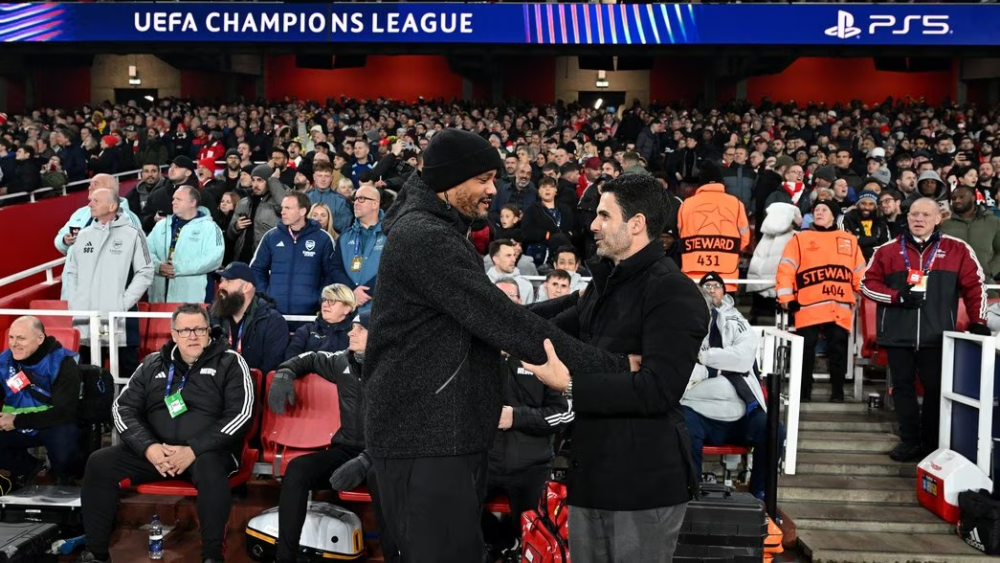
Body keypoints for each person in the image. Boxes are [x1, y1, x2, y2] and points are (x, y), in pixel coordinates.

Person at [364, 129, 629, 563]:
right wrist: (613, 370)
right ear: (450, 180)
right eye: (483, 179)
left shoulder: (439, 233)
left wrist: (577, 303)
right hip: (425, 438)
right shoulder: (425, 238)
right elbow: (503, 322)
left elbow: (492, 318)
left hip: (441, 435)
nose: (492, 190)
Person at [523, 173, 709, 563]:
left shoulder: (672, 290)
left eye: (605, 215)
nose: (593, 224)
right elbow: (543, 332)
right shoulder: (603, 285)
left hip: (642, 485)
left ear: (636, 224)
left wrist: (570, 384)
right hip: (592, 476)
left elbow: (657, 390)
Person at [77, 304, 254, 563]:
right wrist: (149, 448)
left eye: (199, 329)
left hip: (207, 452)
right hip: (156, 453)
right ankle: (96, 553)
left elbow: (241, 414)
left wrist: (193, 449)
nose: (192, 336)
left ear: (209, 331)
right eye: (185, 331)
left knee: (210, 469)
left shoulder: (231, 362)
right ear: (173, 334)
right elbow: (122, 408)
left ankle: (212, 556)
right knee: (99, 462)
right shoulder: (152, 363)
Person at [861, 198, 990, 461]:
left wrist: (978, 320)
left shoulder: (957, 249)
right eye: (914, 214)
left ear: (938, 218)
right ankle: (909, 440)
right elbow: (867, 285)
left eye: (926, 215)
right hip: (898, 334)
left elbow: (975, 287)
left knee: (936, 390)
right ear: (907, 217)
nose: (919, 219)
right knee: (902, 389)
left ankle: (931, 443)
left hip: (938, 336)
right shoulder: (887, 250)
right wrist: (897, 296)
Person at [268, 312, 395, 563]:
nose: (351, 332)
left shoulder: (396, 368)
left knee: (378, 479)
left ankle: (394, 557)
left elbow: (403, 428)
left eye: (360, 329)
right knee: (297, 470)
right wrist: (285, 372)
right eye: (352, 327)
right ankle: (285, 557)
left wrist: (367, 460)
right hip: (347, 450)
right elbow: (310, 358)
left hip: (383, 456)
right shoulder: (342, 361)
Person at [483, 278, 572, 560]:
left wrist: (516, 417)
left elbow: (564, 414)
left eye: (511, 298)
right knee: (452, 508)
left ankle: (516, 548)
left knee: (536, 534)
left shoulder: (544, 356)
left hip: (531, 467)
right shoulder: (475, 354)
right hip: (483, 462)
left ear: (522, 304)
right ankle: (504, 545)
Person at [682, 273, 781, 501]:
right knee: (680, 426)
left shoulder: (737, 320)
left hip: (740, 411)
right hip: (697, 409)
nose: (711, 290)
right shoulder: (685, 322)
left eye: (716, 286)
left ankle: (760, 496)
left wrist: (704, 357)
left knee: (774, 430)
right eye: (706, 286)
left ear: (725, 292)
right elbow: (685, 367)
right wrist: (723, 361)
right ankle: (688, 497)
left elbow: (743, 358)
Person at [776, 199, 864, 402]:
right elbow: (786, 269)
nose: (819, 212)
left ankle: (838, 393)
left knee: (838, 350)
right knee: (805, 351)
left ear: (834, 215)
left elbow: (859, 272)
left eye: (824, 209)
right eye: (816, 209)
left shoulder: (849, 240)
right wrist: (786, 298)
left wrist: (863, 294)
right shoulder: (800, 239)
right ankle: (803, 392)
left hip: (839, 306)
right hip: (807, 305)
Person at [65, 188, 153, 380]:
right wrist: (75, 302)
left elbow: (145, 271)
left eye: (95, 201)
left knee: (128, 377)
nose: (90, 204)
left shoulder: (133, 234)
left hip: (120, 321)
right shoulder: (84, 235)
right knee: (86, 377)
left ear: (112, 206)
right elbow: (71, 272)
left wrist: (122, 304)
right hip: (85, 320)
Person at [0, 316, 81, 488]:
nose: (14, 343)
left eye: (21, 338)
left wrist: (16, 421)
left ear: (39, 338)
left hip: (53, 423)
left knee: (65, 452)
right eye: (11, 337)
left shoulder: (62, 362)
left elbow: (63, 412)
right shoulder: (4, 362)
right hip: (16, 424)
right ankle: (32, 470)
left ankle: (63, 477)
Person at [54, 174, 142, 300]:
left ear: (109, 189)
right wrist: (65, 240)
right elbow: (60, 238)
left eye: (95, 184)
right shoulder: (80, 213)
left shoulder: (126, 217)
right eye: (90, 184)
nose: (90, 187)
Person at [250, 192, 337, 316]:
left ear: (302, 211)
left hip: (310, 314)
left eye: (288, 208)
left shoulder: (323, 238)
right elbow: (256, 269)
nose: (282, 212)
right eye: (282, 208)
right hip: (274, 313)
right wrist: (266, 295)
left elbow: (331, 273)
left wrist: (318, 298)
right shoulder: (271, 236)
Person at [677, 161, 751, 291]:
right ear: (721, 181)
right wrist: (730, 251)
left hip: (694, 273)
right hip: (726, 274)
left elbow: (681, 234)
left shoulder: (687, 204)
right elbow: (745, 238)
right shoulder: (736, 203)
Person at [210, 262, 289, 376]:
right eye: (221, 281)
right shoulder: (211, 317)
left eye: (228, 281)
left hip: (252, 385)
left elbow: (271, 368)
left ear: (246, 287)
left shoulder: (273, 322)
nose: (221, 286)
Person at [147, 186, 224, 303]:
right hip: (158, 297)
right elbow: (146, 251)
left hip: (193, 298)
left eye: (178, 199)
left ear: (193, 203)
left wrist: (177, 268)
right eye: (173, 199)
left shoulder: (210, 228)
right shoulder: (161, 225)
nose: (173, 202)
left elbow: (214, 258)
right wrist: (158, 266)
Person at [330, 184, 384, 313]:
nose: (356, 203)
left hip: (380, 309)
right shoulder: (345, 236)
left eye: (362, 199)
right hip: (350, 308)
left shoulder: (391, 233)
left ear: (375, 204)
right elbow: (335, 268)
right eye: (355, 199)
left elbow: (394, 268)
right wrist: (352, 290)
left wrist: (366, 292)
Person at [941, 185, 1000, 282]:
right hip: (950, 281)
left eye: (961, 197)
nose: (957, 201)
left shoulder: (993, 221)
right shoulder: (944, 222)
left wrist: (989, 271)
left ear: (973, 197)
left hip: (983, 281)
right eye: (954, 198)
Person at [285, 283, 357, 359]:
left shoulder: (356, 333)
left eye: (332, 300)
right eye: (324, 300)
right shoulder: (306, 331)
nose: (325, 304)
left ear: (347, 308)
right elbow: (291, 360)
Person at [841, 190, 890, 262]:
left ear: (876, 206)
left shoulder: (881, 221)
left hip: (876, 261)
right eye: (863, 203)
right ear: (857, 205)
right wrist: (874, 239)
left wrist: (857, 239)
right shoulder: (847, 219)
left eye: (871, 204)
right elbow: (846, 244)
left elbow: (885, 245)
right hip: (853, 260)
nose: (867, 207)